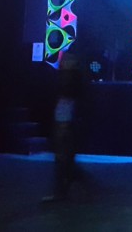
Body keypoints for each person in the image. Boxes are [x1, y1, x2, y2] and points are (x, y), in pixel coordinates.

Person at [43, 51, 87, 202]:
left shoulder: (70, 79)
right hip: (64, 120)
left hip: (66, 120)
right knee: (64, 158)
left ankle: (63, 191)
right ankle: (66, 189)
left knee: (63, 158)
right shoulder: (71, 78)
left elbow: (67, 97)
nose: (65, 62)